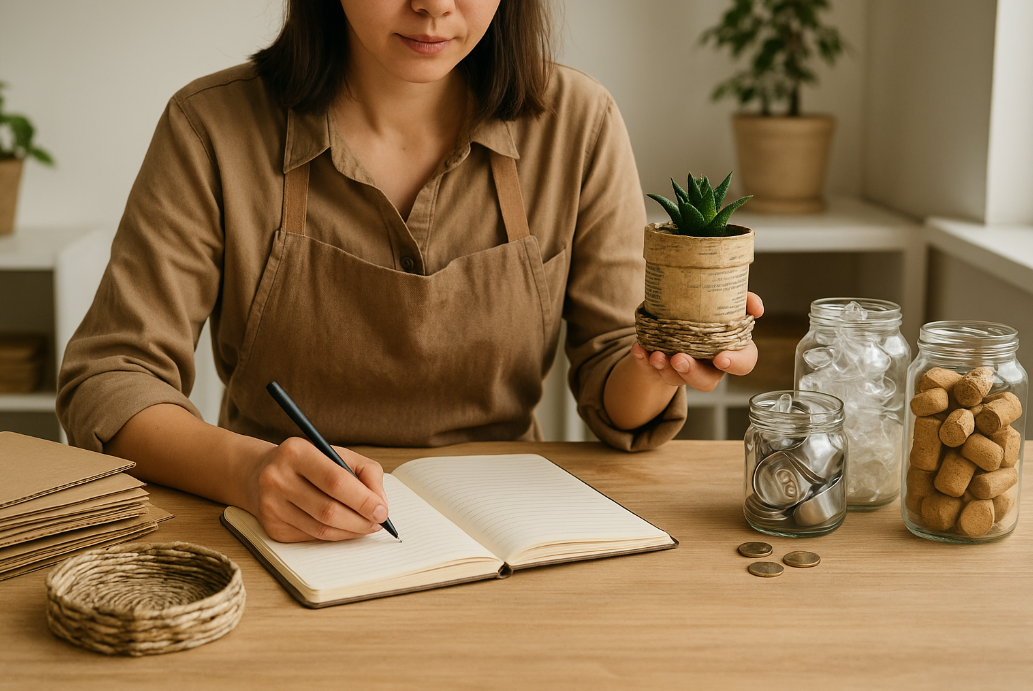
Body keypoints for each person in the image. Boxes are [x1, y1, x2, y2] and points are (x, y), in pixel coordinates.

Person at [58, 0, 762, 544]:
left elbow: (613, 379)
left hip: (512, 531)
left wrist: (660, 363)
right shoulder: (210, 126)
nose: (433, 5)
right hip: (275, 533)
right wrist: (247, 471)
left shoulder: (578, 122)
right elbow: (110, 378)